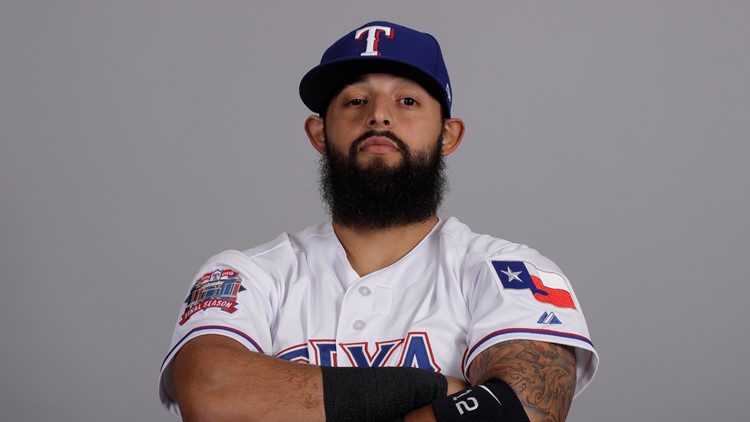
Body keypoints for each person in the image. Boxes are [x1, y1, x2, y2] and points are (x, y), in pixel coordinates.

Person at [159, 21, 598, 422]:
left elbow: (524, 408)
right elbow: (212, 394)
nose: (379, 115)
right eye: (355, 101)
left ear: (448, 135)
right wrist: (440, 390)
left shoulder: (508, 270)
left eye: (407, 101)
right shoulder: (246, 273)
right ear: (319, 134)